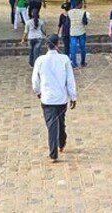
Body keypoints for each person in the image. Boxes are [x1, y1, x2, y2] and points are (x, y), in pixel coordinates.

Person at [31, 34, 77, 162]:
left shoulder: (40, 60)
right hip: (61, 98)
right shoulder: (64, 59)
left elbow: (35, 79)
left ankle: (53, 152)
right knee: (61, 122)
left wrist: (38, 92)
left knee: (52, 125)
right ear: (58, 44)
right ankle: (61, 143)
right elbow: (70, 80)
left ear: (46, 45)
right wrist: (73, 96)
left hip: (47, 97)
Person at [68, 0, 90, 69]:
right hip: (81, 31)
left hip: (72, 32)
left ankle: (74, 63)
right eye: (81, 4)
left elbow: (68, 22)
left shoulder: (69, 12)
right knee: (82, 48)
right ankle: (83, 62)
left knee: (73, 48)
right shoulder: (83, 12)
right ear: (79, 4)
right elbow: (85, 22)